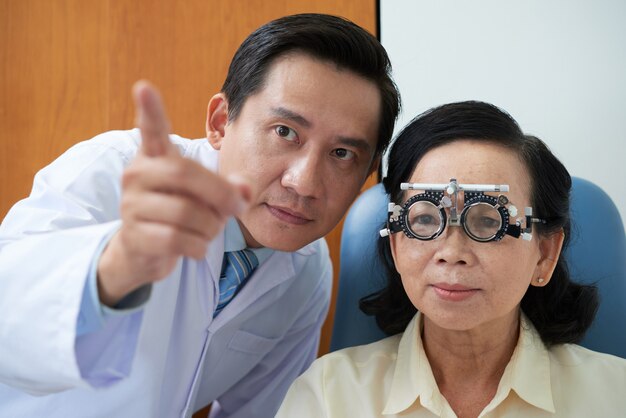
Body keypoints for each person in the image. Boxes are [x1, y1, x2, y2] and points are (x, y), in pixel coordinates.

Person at [0, 13, 400, 418]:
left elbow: (265, 411)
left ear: (366, 175)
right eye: (284, 132)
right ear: (221, 123)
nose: (304, 183)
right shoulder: (115, 171)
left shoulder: (308, 271)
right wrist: (114, 266)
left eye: (342, 154)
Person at [276, 101, 626, 418]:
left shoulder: (614, 396)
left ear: (544, 254)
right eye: (425, 219)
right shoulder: (329, 396)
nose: (452, 254)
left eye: (489, 221)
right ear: (396, 243)